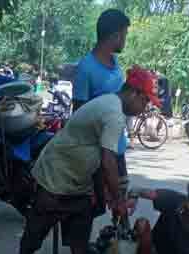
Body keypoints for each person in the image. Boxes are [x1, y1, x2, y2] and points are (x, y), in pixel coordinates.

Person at [6, 67, 158, 254]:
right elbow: (107, 160)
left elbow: (100, 157)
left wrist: (107, 193)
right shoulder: (114, 113)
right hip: (55, 177)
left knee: (80, 232)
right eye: (146, 101)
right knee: (34, 234)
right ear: (134, 94)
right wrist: (117, 200)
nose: (144, 108)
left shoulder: (111, 104)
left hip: (78, 180)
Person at [73, 9, 131, 207]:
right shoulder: (86, 68)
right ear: (115, 36)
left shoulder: (117, 68)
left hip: (118, 149)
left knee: (122, 206)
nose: (125, 40)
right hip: (97, 154)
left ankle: (120, 237)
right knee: (93, 208)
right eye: (124, 35)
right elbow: (78, 115)